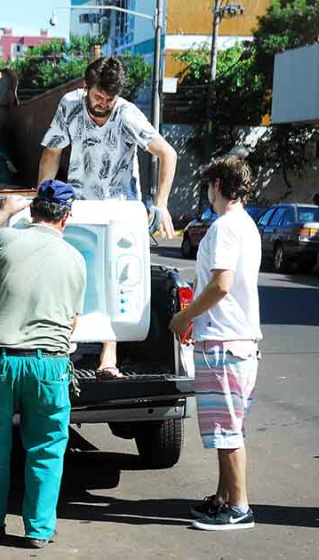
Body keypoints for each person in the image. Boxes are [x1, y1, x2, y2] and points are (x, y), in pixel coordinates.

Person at [37, 56, 178, 379]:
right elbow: (52, 152)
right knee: (71, 272)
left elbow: (167, 152)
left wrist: (162, 203)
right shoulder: (70, 105)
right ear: (87, 88)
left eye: (109, 100)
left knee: (112, 275)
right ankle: (63, 346)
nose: (102, 106)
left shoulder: (127, 115)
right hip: (79, 204)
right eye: (98, 97)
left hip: (117, 206)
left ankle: (108, 355)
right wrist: (42, 198)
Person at [0, 181, 86, 549]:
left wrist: (2, 212)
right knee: (47, 449)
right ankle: (38, 530)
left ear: (32, 211)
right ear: (65, 218)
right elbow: (72, 320)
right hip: (50, 365)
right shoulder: (75, 259)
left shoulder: (5, 240)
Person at [170, 156, 261, 531]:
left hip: (224, 341)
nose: (208, 193)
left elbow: (221, 284)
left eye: (208, 186)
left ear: (218, 185)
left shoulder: (225, 226)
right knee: (227, 428)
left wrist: (185, 316)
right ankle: (224, 497)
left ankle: (239, 507)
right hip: (237, 340)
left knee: (227, 431)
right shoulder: (246, 225)